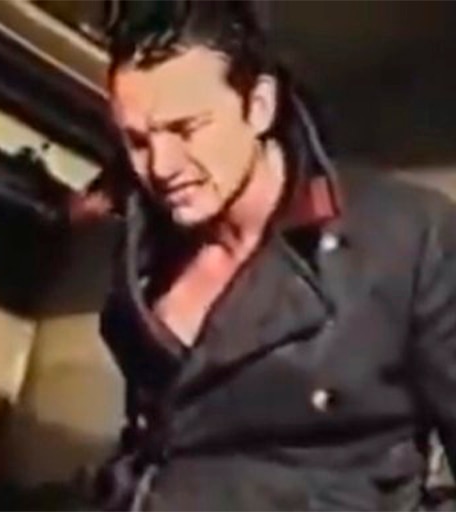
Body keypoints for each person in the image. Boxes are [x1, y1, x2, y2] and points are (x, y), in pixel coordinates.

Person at [93, 0, 456, 509]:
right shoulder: (143, 262)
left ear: (259, 106)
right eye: (137, 142)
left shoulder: (405, 238)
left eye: (186, 129)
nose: (162, 165)